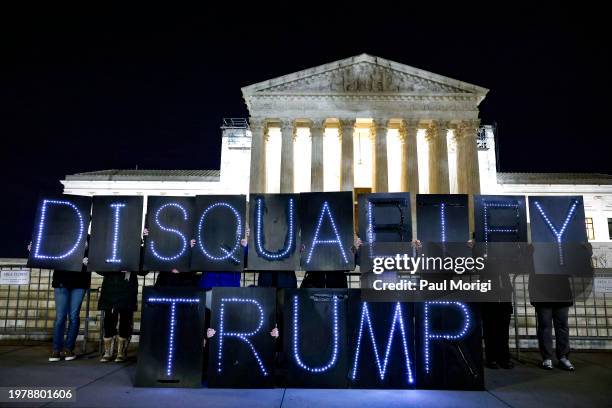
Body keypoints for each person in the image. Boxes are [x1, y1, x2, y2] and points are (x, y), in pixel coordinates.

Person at [527, 243, 587, 371]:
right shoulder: (540, 248)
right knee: (548, 326)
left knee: (557, 326)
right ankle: (552, 357)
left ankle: (560, 357)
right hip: (545, 292)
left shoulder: (561, 248)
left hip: (558, 292)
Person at [28, 241, 91, 362]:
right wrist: (35, 250)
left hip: (80, 281)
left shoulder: (89, 239)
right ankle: (56, 350)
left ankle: (68, 349)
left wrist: (89, 260)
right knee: (61, 317)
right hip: (62, 279)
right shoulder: (63, 234)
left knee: (73, 316)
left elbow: (97, 256)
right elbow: (50, 249)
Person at [468, 238, 514, 369]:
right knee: (490, 328)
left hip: (503, 295)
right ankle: (492, 358)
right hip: (489, 294)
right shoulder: (482, 251)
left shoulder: (503, 256)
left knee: (503, 329)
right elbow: (478, 265)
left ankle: (503, 357)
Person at [97, 269, 142, 363]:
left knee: (125, 320)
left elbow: (144, 271)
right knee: (109, 320)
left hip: (128, 288)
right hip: (111, 288)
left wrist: (132, 267)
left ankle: (121, 352)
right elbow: (100, 269)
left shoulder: (135, 254)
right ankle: (108, 352)